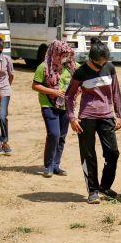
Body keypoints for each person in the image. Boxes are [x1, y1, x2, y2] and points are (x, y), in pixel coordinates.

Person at [66, 38, 121, 204]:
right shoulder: (81, 72)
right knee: (88, 155)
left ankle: (104, 186)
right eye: (99, 63)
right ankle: (92, 190)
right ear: (91, 59)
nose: (101, 66)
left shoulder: (110, 68)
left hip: (107, 116)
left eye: (104, 62)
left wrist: (119, 115)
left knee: (113, 153)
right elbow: (69, 96)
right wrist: (72, 118)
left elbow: (116, 92)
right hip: (86, 118)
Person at [32, 40, 77, 177]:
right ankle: (48, 166)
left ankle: (56, 165)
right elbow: (35, 86)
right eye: (62, 54)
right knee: (54, 134)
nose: (65, 57)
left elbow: (84, 73)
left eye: (66, 54)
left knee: (62, 136)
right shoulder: (44, 67)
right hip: (48, 104)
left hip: (66, 106)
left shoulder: (71, 67)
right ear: (55, 53)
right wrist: (53, 92)